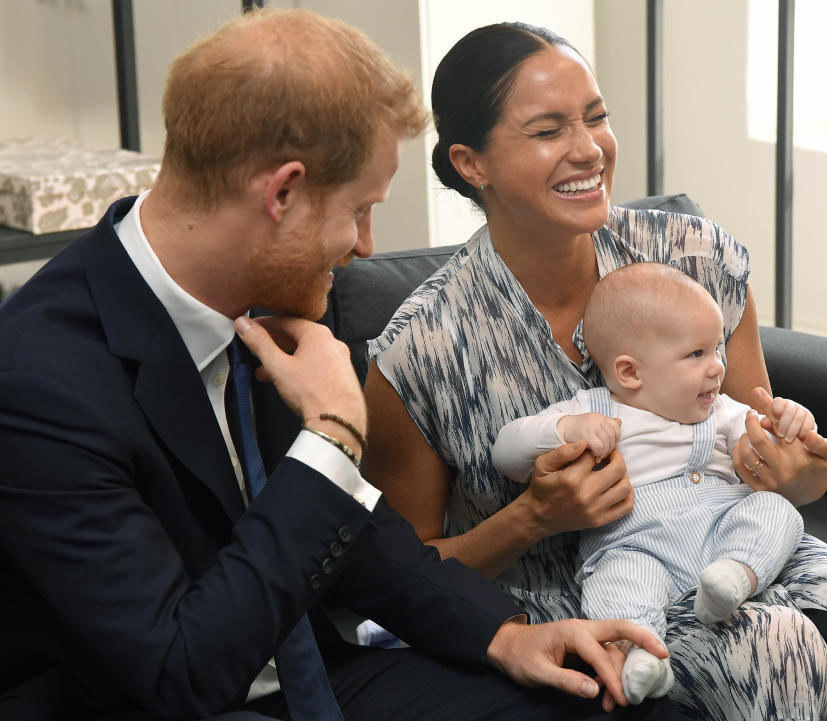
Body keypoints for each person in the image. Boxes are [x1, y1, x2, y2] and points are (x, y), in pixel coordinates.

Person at [0, 9, 683, 721]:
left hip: (316, 676)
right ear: (283, 193)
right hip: (154, 694)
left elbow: (362, 534)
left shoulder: (280, 291)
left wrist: (507, 634)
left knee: (615, 704)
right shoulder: (39, 384)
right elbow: (180, 670)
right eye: (360, 209)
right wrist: (329, 439)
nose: (365, 245)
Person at [363, 20, 827, 720]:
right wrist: (532, 518)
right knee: (772, 642)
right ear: (472, 163)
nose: (589, 149)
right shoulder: (419, 350)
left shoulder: (694, 257)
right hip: (600, 598)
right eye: (549, 130)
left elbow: (763, 449)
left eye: (596, 117)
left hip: (745, 547)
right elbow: (400, 578)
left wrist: (798, 471)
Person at [493, 262, 815, 703]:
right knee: (618, 582)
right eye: (696, 354)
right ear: (629, 373)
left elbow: (768, 442)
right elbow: (505, 452)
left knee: (777, 511)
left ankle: (735, 577)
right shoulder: (593, 410)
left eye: (717, 350)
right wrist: (566, 429)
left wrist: (792, 422)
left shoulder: (720, 411)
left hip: (722, 529)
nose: (717, 369)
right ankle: (643, 656)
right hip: (635, 545)